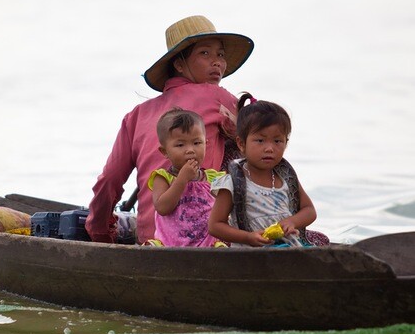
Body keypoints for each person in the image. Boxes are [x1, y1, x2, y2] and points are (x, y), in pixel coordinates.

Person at [86, 15, 254, 244]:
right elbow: (262, 137)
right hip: (201, 239)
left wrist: (100, 234)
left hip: (151, 238)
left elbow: (109, 181)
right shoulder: (218, 98)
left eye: (220, 55)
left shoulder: (136, 115)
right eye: (205, 53)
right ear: (179, 64)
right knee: (249, 145)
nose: (217, 63)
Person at [208, 93, 317, 247]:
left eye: (278, 141)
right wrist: (247, 237)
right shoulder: (231, 181)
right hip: (252, 257)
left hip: (287, 249)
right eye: (260, 140)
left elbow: (309, 210)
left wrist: (292, 221)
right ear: (241, 143)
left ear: (286, 142)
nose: (269, 148)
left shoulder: (285, 177)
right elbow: (215, 225)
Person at [147, 108, 225, 247]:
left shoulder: (214, 178)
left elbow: (225, 209)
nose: (190, 150)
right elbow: (162, 208)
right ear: (164, 151)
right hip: (170, 245)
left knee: (222, 247)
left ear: (206, 144)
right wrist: (182, 179)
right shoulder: (163, 178)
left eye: (197, 143)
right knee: (150, 249)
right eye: (180, 145)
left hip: (207, 245)